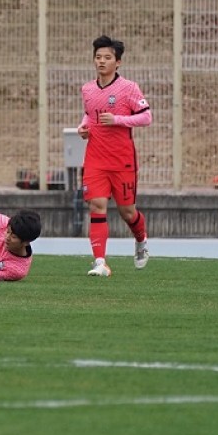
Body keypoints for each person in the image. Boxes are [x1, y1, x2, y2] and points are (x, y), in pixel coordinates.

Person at [77, 34, 151, 277]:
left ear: (117, 62)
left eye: (107, 57)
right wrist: (83, 127)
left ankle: (141, 239)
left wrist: (118, 120)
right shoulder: (87, 89)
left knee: (127, 212)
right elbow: (90, 114)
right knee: (97, 206)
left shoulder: (128, 88)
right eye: (98, 57)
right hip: (95, 158)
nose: (101, 61)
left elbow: (146, 117)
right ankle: (100, 261)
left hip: (122, 160)